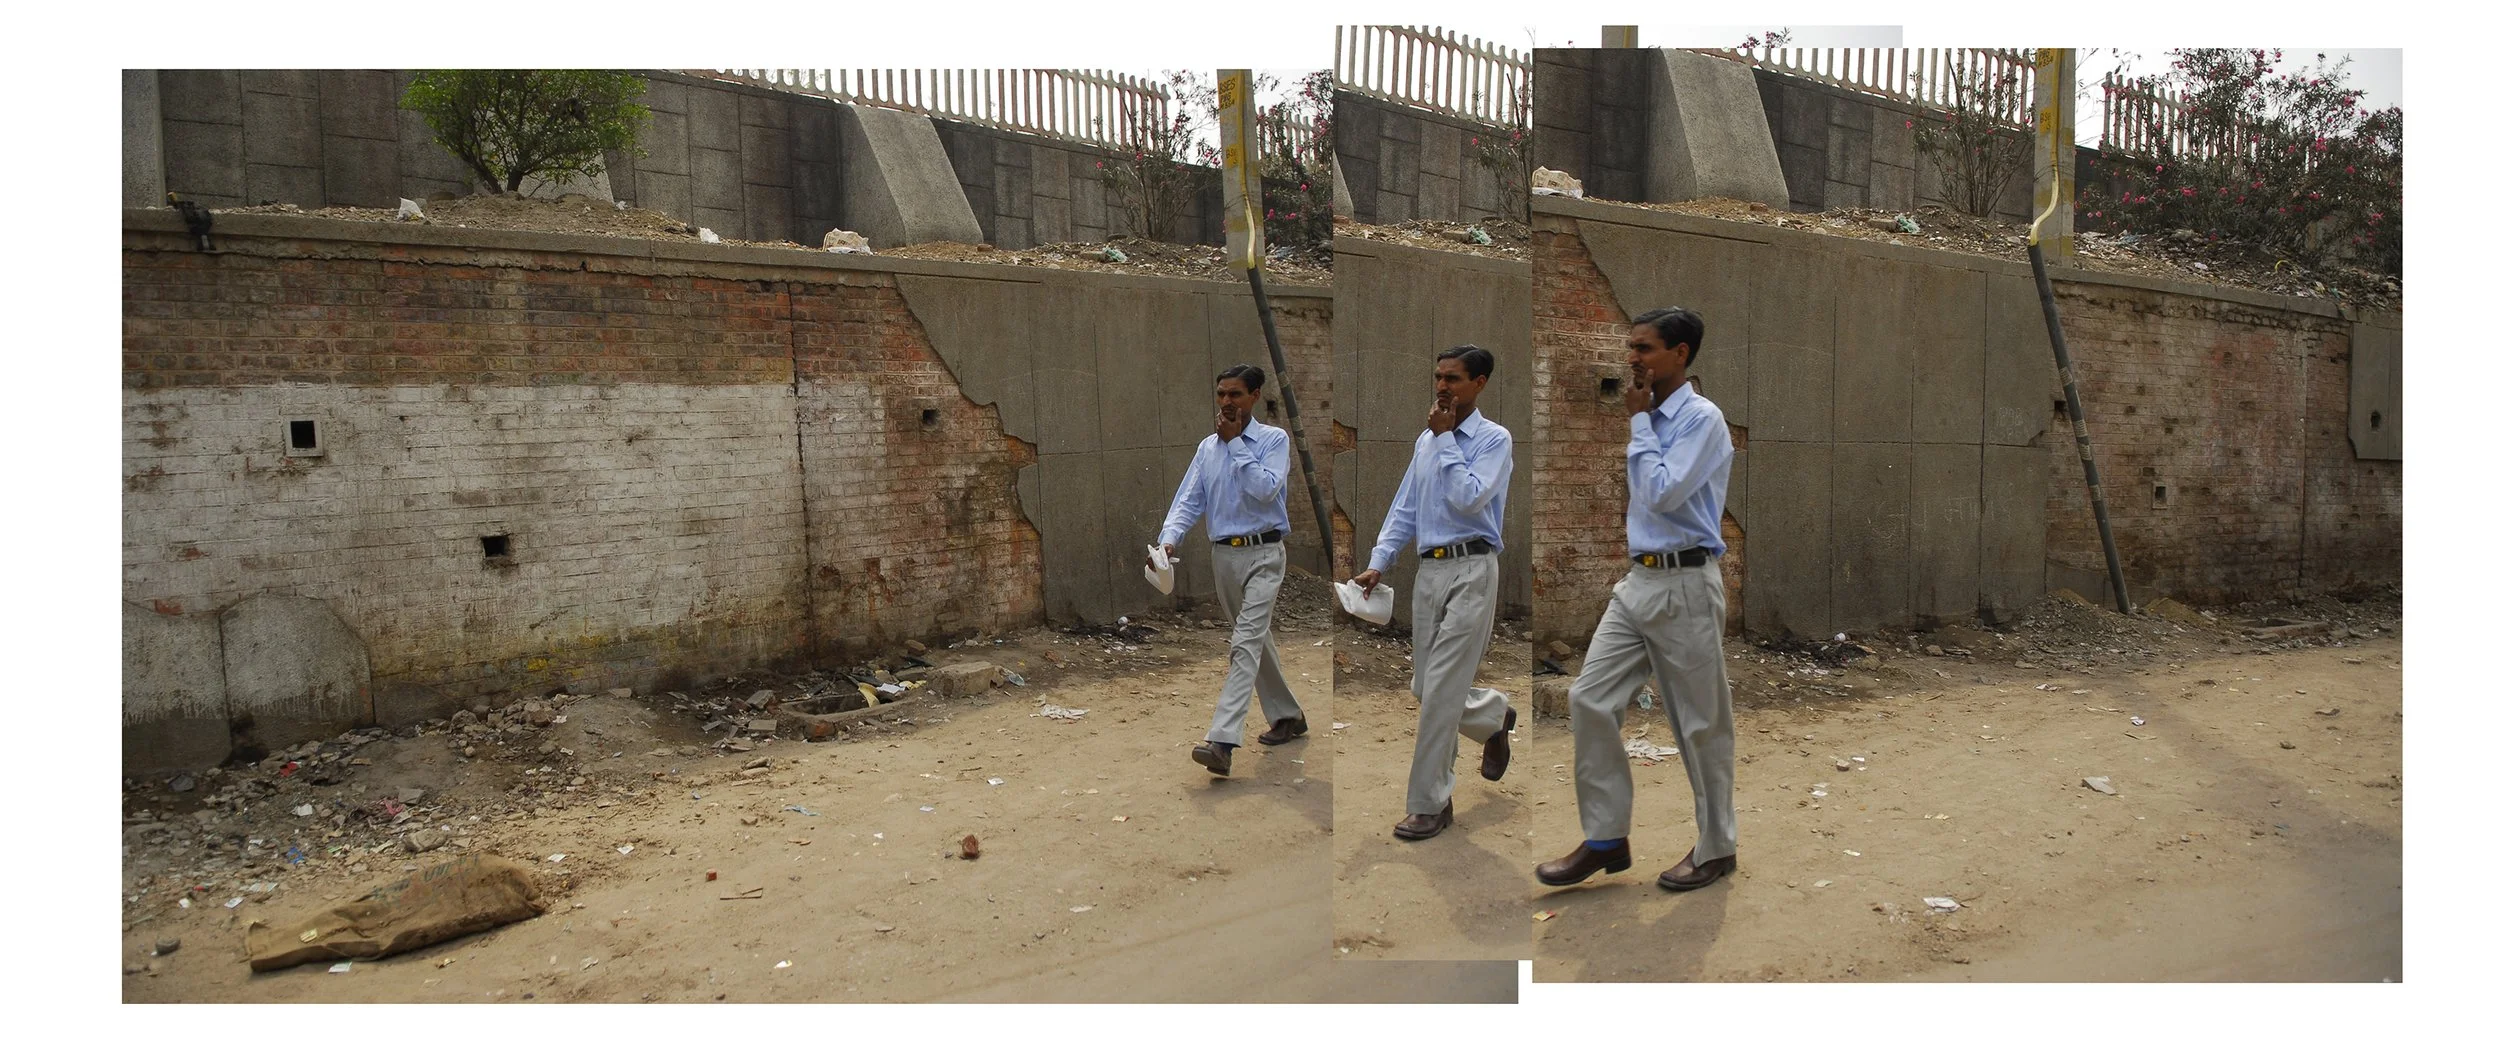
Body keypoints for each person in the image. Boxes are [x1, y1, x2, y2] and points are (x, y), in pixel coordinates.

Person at [1533, 307, 1740, 892]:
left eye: (1645, 349)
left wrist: (1639, 427)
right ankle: (1606, 839)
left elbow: (1663, 491)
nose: (1633, 360)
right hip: (1639, 583)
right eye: (1631, 349)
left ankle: (1717, 848)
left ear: (1680, 354)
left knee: (1701, 725)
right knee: (1589, 699)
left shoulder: (1703, 420)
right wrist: (1643, 424)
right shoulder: (1650, 418)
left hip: (1687, 585)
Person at [1350, 345, 1516, 840]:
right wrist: (1379, 563)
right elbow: (1406, 507)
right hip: (1430, 573)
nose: (1443, 387)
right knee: (1427, 687)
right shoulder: (1427, 441)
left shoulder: (1494, 440)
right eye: (1439, 378)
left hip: (1472, 570)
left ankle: (1430, 802)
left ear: (1480, 383)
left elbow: (1469, 497)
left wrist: (1446, 441)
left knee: (1440, 690)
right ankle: (1491, 716)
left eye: (1455, 379)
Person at [1156, 364, 1307, 777]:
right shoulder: (1208, 448)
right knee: (1254, 641)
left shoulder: (1273, 441)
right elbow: (1189, 500)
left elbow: (1265, 488)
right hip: (1224, 557)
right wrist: (1169, 540)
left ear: (1254, 396)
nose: (1226, 403)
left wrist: (1237, 444)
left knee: (1244, 643)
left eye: (1235, 395)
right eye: (1221, 394)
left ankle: (1221, 740)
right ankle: (1289, 716)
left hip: (1264, 555)